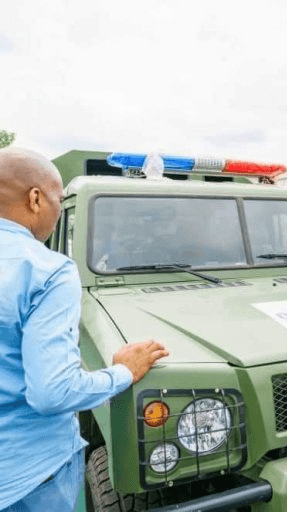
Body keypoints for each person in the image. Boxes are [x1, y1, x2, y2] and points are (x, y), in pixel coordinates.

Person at [0, 148, 169, 512]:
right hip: (30, 476)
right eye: (59, 201)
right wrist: (123, 372)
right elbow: (53, 393)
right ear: (35, 199)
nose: (58, 211)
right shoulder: (47, 271)